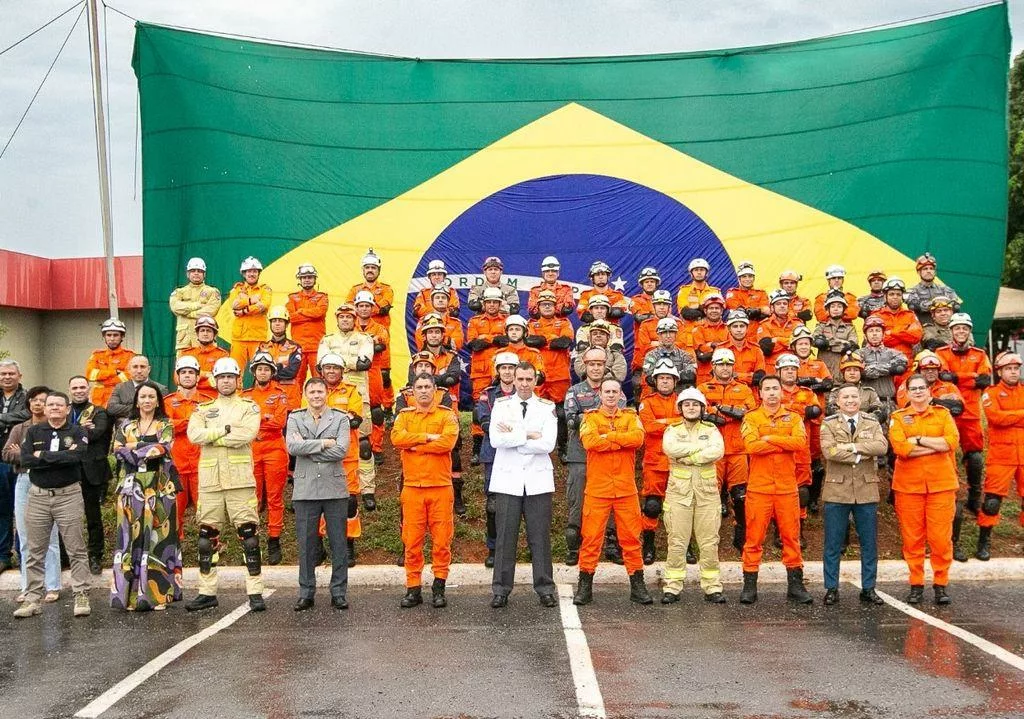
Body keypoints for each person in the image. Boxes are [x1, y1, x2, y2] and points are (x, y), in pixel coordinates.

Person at [185, 358, 266, 612]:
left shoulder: (249, 407)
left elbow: (247, 434)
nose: (226, 381)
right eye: (222, 377)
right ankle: (207, 592)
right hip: (211, 483)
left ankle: (255, 592)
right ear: (215, 380)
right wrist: (226, 430)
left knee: (249, 537)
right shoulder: (202, 408)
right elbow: (194, 436)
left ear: (238, 380)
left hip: (240, 481)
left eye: (231, 377)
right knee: (206, 539)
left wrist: (214, 435)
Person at [573, 378, 653, 606]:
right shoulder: (590, 418)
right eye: (606, 391)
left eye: (614, 391)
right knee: (591, 539)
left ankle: (638, 587)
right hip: (598, 490)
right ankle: (584, 588)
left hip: (626, 490)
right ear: (600, 394)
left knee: (631, 539)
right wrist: (620, 441)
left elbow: (637, 439)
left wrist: (611, 437)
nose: (610, 395)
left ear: (620, 395)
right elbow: (589, 442)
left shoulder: (631, 416)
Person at [14, 392, 92, 619]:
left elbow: (76, 457)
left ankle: (81, 594)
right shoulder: (34, 431)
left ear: (68, 409)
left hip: (68, 495)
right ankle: (32, 599)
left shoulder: (78, 431)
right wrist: (57, 455)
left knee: (75, 548)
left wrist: (43, 456)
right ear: (44, 409)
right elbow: (26, 460)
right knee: (34, 549)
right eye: (50, 405)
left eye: (59, 404)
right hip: (37, 497)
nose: (55, 408)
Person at [488, 362, 558, 608]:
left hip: (538, 481)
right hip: (508, 481)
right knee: (505, 537)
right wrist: (529, 434)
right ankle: (501, 589)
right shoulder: (501, 405)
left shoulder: (547, 407)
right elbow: (496, 439)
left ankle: (545, 587)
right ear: (513, 380)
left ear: (536, 380)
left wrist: (515, 437)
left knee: (540, 537)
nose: (525, 384)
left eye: (530, 379)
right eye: (521, 379)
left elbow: (548, 444)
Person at [739, 375, 813, 605]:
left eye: (775, 389)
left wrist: (769, 437)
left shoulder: (793, 417)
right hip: (759, 489)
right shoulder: (751, 418)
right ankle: (749, 586)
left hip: (786, 489)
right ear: (759, 393)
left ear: (781, 392)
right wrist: (783, 441)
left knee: (791, 538)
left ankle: (796, 586)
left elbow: (800, 443)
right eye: (767, 389)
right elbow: (751, 446)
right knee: (753, 538)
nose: (771, 393)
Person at [888, 373, 960, 605]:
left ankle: (941, 584)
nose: (918, 392)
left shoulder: (943, 414)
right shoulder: (898, 417)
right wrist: (934, 445)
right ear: (907, 393)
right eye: (913, 389)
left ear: (930, 392)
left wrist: (918, 440)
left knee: (940, 539)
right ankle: (916, 584)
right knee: (912, 540)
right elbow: (900, 448)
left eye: (922, 388)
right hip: (909, 488)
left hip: (941, 486)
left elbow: (951, 442)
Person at [110, 382, 182, 611]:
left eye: (152, 396)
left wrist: (134, 449)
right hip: (130, 487)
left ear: (158, 401)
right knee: (129, 539)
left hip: (159, 488)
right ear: (137, 400)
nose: (147, 400)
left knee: (157, 539)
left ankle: (157, 596)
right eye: (143, 396)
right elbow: (117, 449)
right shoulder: (126, 425)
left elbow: (163, 448)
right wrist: (143, 449)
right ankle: (128, 597)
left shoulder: (165, 424)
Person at [391, 373, 460, 609]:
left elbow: (448, 443)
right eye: (418, 387)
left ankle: (439, 588)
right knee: (412, 542)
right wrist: (427, 437)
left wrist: (415, 445)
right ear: (412, 390)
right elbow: (397, 439)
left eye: (427, 387)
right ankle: (413, 588)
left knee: (442, 542)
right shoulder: (404, 415)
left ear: (434, 390)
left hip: (440, 487)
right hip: (412, 489)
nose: (423, 391)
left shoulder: (446, 415)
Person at [819, 384, 888, 606]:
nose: (850, 400)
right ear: (837, 402)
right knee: (833, 544)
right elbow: (829, 451)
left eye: (854, 397)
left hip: (866, 491)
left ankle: (869, 588)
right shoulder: (829, 424)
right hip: (837, 490)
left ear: (860, 400)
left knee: (869, 544)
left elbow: (881, 447)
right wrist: (859, 454)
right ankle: (831, 588)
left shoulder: (871, 421)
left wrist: (850, 447)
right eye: (845, 397)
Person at [286, 377, 352, 611]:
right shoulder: (295, 417)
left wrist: (308, 447)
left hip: (334, 489)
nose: (316, 395)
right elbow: (292, 448)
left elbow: (341, 450)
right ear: (305, 394)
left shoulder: (340, 418)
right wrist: (324, 443)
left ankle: (338, 592)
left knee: (338, 543)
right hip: (305, 490)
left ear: (327, 394)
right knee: (306, 544)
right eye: (312, 391)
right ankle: (306, 592)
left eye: (320, 391)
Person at [661, 387, 726, 603]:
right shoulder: (672, 430)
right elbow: (671, 449)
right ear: (680, 408)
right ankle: (672, 586)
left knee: (709, 542)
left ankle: (712, 586)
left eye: (695, 404)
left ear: (702, 408)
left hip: (707, 496)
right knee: (677, 541)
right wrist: (699, 450)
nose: (691, 407)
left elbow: (717, 451)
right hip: (679, 494)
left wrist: (690, 456)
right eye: (687, 404)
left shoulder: (712, 429)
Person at [563, 348, 623, 566]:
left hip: (608, 456)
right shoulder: (574, 391)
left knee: (611, 501)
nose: (596, 368)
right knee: (577, 501)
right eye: (591, 364)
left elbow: (620, 418)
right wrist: (601, 419)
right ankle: (574, 547)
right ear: (585, 366)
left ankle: (610, 544)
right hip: (580, 455)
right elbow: (571, 420)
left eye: (599, 364)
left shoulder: (615, 390)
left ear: (605, 366)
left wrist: (588, 419)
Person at [2, 386, 61, 603]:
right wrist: (34, 455)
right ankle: (28, 586)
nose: (38, 404)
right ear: (29, 404)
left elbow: (60, 456)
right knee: (25, 536)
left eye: (43, 400)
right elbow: (7, 453)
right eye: (34, 400)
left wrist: (26, 453)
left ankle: (52, 585)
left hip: (49, 481)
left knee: (50, 536)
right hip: (24, 481)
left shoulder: (57, 428)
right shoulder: (19, 428)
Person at [318, 304, 376, 509]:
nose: (345, 320)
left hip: (359, 395)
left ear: (355, 318)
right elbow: (321, 365)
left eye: (348, 317)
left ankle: (367, 489)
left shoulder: (365, 338)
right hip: (331, 396)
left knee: (363, 444)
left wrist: (336, 360)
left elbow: (365, 363)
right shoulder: (327, 339)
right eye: (341, 316)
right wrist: (351, 361)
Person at [699, 348, 757, 551]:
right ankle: (708, 537)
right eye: (721, 364)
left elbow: (749, 412)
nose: (725, 368)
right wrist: (720, 412)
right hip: (712, 450)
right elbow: (699, 411)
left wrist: (722, 409)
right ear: (713, 366)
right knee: (710, 495)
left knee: (740, 495)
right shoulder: (703, 388)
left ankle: (740, 533)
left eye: (728, 364)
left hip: (738, 449)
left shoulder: (744, 389)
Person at [935, 313, 992, 516]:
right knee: (946, 454)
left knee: (975, 457)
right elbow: (943, 377)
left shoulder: (979, 354)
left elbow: (984, 380)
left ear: (969, 331)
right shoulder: (941, 352)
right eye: (957, 328)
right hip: (948, 412)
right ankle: (950, 497)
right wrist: (971, 377)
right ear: (951, 331)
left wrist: (957, 377)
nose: (961, 331)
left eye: (964, 328)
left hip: (971, 413)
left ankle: (974, 498)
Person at [242, 351, 291, 566]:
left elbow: (279, 422)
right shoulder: (244, 395)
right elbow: (240, 422)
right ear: (254, 372)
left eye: (266, 369)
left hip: (274, 450)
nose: (263, 372)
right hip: (251, 449)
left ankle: (274, 541)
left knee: (274, 497)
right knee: (252, 499)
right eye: (259, 369)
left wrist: (257, 418)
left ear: (272, 372)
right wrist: (265, 417)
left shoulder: (280, 394)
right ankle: (251, 544)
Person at [320, 354, 366, 567]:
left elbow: (355, 420)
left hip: (347, 455)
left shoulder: (352, 391)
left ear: (342, 371)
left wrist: (325, 420)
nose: (331, 371)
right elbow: (306, 420)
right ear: (321, 370)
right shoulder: (313, 390)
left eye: (335, 368)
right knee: (319, 500)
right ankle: (320, 545)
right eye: (327, 367)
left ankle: (348, 545)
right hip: (319, 456)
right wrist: (340, 419)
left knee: (348, 502)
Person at [978, 352, 1024, 560]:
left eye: (1016, 368)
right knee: (992, 502)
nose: (1013, 372)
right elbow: (995, 418)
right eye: (1009, 369)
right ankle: (984, 540)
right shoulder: (991, 393)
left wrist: (1010, 417)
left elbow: (1004, 418)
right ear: (999, 371)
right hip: (1001, 455)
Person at [476, 352, 521, 565]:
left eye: (511, 368)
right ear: (498, 371)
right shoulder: (488, 394)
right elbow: (483, 418)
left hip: (519, 453)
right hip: (493, 453)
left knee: (518, 502)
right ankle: (493, 549)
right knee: (493, 504)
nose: (507, 371)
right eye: (503, 368)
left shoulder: (525, 393)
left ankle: (513, 548)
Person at [163, 356, 213, 541]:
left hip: (202, 463)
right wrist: (193, 422)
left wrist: (182, 424)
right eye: (183, 372)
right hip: (177, 463)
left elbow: (210, 428)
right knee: (176, 509)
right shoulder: (167, 402)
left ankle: (209, 545)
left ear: (198, 377)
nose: (187, 376)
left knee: (207, 508)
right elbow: (166, 427)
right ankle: (175, 545)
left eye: (191, 372)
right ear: (177, 376)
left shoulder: (208, 402)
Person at [637, 360, 682, 564]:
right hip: (655, 462)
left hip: (680, 461)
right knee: (653, 506)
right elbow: (648, 427)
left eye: (669, 378)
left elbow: (688, 423)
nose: (665, 381)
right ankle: (648, 545)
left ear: (675, 381)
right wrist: (674, 422)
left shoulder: (684, 401)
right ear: (655, 381)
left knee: (682, 506)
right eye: (661, 378)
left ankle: (685, 547)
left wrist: (663, 422)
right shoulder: (647, 401)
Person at [68, 375, 113, 574]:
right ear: (70, 390)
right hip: (67, 470)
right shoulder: (64, 410)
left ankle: (95, 556)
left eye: (82, 387)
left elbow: (96, 434)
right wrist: (80, 429)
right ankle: (66, 557)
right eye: (75, 387)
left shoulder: (99, 412)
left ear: (89, 389)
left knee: (93, 518)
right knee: (66, 519)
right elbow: (58, 434)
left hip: (91, 472)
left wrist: (70, 433)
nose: (78, 390)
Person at [527, 289, 575, 459]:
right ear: (538, 307)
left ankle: (562, 448)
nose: (547, 307)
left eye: (550, 304)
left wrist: (543, 341)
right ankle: (536, 445)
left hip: (559, 375)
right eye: (543, 304)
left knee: (561, 413)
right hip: (539, 375)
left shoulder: (564, 322)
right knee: (536, 411)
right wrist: (552, 340)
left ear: (555, 307)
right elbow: (531, 341)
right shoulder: (532, 324)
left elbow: (565, 342)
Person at [467, 287, 510, 463]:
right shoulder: (474, 321)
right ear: (483, 303)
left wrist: (485, 338)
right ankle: (477, 448)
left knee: (503, 405)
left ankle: (504, 443)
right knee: (479, 408)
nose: (492, 305)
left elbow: (507, 341)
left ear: (500, 304)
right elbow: (473, 344)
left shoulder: (507, 321)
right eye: (489, 302)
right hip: (480, 372)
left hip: (502, 371)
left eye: (495, 302)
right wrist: (494, 339)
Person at [353, 290, 392, 465]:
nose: (364, 309)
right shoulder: (348, 326)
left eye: (367, 306)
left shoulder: (380, 328)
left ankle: (376, 447)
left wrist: (361, 346)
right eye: (361, 306)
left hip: (373, 370)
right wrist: (369, 342)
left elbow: (381, 345)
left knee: (376, 410)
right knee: (354, 408)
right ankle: (355, 446)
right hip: (353, 372)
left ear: (372, 308)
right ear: (356, 308)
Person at [0, 359, 29, 575]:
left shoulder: (27, 397)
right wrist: (10, 420)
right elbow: (17, 419)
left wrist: (2, 418)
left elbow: (26, 415)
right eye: (3, 374)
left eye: (11, 373)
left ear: (20, 376)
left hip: (20, 460)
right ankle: (3, 555)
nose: (7, 377)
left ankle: (22, 553)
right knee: (2, 509)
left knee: (23, 511)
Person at [871, 277, 923, 386]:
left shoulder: (910, 315)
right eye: (892, 294)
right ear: (885, 296)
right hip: (883, 367)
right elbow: (877, 340)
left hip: (906, 368)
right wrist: (904, 333)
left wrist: (892, 332)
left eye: (898, 294)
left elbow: (916, 337)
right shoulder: (876, 315)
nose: (895, 297)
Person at [226, 256, 272, 372]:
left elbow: (263, 306)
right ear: (244, 273)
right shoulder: (237, 289)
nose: (252, 274)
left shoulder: (265, 289)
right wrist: (251, 301)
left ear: (259, 273)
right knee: (235, 371)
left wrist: (243, 310)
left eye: (255, 271)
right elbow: (234, 305)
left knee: (261, 371)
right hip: (239, 338)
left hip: (258, 337)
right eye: (249, 271)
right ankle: (236, 391)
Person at [168, 257, 222, 354]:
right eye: (193, 271)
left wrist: (189, 313)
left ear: (204, 274)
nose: (196, 273)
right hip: (184, 339)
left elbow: (211, 310)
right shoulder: (179, 292)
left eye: (199, 271)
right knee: (182, 367)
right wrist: (196, 305)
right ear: (188, 274)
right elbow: (175, 307)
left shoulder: (212, 291)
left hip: (205, 340)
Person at [288, 263, 330, 384]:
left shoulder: (322, 297)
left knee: (319, 381)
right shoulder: (292, 297)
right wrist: (310, 315)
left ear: (314, 279)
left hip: (317, 348)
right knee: (296, 382)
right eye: (304, 277)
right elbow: (290, 317)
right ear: (299, 279)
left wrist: (300, 311)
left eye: (310, 277)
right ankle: (295, 404)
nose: (307, 280)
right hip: (297, 348)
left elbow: (319, 313)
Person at [859, 315, 908, 410]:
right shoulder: (858, 354)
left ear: (883, 334)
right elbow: (862, 372)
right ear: (865, 335)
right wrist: (889, 368)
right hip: (866, 404)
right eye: (871, 331)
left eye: (877, 331)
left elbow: (901, 367)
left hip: (888, 402)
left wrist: (871, 367)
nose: (874, 334)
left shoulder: (894, 353)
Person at [258, 306, 303, 408]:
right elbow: (257, 372)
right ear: (270, 324)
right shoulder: (262, 347)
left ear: (286, 324)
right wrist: (279, 367)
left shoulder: (294, 347)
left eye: (281, 321)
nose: (277, 323)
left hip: (289, 399)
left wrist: (268, 372)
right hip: (267, 398)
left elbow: (291, 372)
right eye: (274, 321)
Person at [85, 318, 135, 407]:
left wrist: (103, 381)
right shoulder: (97, 355)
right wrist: (115, 372)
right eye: (109, 335)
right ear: (104, 337)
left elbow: (128, 377)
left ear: (122, 337)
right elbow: (90, 374)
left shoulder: (130, 355)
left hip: (121, 400)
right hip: (98, 401)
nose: (112, 338)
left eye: (115, 335)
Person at [825, 353, 885, 422]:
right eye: (848, 370)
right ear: (843, 373)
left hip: (866, 427)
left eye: (856, 370)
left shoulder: (869, 392)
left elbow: (879, 411)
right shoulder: (836, 392)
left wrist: (864, 419)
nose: (852, 373)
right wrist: (849, 418)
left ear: (860, 373)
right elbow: (831, 410)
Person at [905, 253, 962, 325]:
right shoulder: (912, 291)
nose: (929, 271)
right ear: (919, 272)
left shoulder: (946, 289)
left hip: (945, 330)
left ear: (935, 272)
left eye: (931, 268)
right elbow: (914, 306)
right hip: (922, 331)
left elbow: (956, 306)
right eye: (925, 269)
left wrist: (929, 305)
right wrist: (943, 304)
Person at [812, 294, 859, 378]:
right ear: (828, 309)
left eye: (839, 306)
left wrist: (827, 344)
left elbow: (852, 345)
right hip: (824, 366)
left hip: (842, 368)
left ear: (844, 310)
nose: (836, 309)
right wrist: (841, 343)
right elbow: (815, 341)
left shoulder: (850, 328)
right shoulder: (821, 326)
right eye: (833, 306)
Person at [107, 355, 168, 421]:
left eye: (142, 367)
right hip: (124, 428)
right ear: (129, 369)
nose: (139, 371)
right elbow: (111, 408)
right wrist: (142, 407)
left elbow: (161, 411)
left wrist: (126, 408)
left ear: (149, 369)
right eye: (135, 367)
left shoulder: (161, 389)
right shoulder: (120, 388)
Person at [756, 289, 804, 373]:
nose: (782, 306)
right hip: (772, 368)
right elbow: (766, 349)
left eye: (785, 303)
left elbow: (802, 346)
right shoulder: (764, 325)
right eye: (778, 303)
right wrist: (791, 342)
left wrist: (777, 340)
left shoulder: (798, 323)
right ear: (772, 307)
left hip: (795, 366)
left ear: (788, 306)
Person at [718, 310, 765, 387]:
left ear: (747, 328)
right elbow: (720, 376)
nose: (739, 330)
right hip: (727, 393)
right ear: (729, 329)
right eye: (735, 326)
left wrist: (736, 375)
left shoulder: (756, 349)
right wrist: (749, 376)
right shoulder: (721, 349)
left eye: (742, 326)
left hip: (751, 394)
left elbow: (759, 377)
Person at [181, 315, 229, 389]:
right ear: (197, 334)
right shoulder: (187, 354)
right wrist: (206, 374)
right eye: (202, 330)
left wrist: (194, 381)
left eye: (209, 331)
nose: (205, 334)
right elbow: (178, 379)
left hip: (213, 397)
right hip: (191, 396)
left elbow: (220, 381)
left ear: (214, 334)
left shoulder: (222, 355)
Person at [691, 293, 730, 384]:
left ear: (721, 311)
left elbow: (731, 350)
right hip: (704, 377)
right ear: (705, 311)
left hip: (726, 375)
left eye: (717, 308)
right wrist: (718, 345)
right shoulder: (698, 330)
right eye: (711, 308)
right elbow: (702, 356)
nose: (714, 311)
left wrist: (711, 346)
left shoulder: (729, 329)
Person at [724, 261, 770, 332]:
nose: (747, 279)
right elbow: (736, 311)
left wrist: (748, 310)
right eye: (744, 276)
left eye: (750, 276)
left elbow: (767, 311)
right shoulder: (732, 292)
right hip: (738, 331)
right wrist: (757, 312)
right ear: (739, 278)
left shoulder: (761, 293)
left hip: (758, 331)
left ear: (754, 278)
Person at [676, 258, 720, 323]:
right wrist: (705, 310)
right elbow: (686, 313)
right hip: (689, 329)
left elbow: (717, 313)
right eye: (696, 270)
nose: (699, 272)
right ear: (691, 273)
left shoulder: (715, 292)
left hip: (710, 329)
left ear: (706, 273)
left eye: (702, 270)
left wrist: (696, 307)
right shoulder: (684, 291)